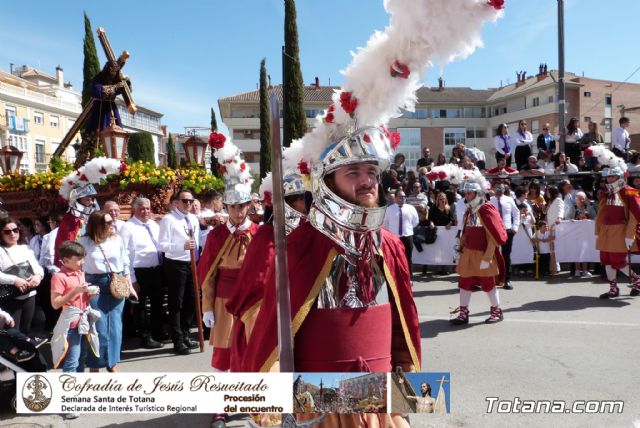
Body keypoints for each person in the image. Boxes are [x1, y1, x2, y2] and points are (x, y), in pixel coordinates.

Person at [243, 126, 421, 428]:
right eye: (352, 172)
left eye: (371, 172)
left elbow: (403, 330)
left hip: (380, 405)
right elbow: (272, 333)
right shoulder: (300, 246)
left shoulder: (389, 244)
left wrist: (406, 395)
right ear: (327, 181)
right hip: (319, 405)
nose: (367, 181)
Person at [446, 166, 507, 325]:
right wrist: (460, 247)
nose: (466, 196)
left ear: (478, 193)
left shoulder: (486, 209)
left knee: (488, 284)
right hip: (468, 253)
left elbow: (493, 236)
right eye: (465, 193)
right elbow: (465, 231)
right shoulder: (468, 210)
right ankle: (463, 313)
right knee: (465, 283)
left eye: (469, 193)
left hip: (483, 254)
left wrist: (488, 257)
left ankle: (496, 311)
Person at [78, 211, 135, 372]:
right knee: (98, 327)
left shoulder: (117, 239)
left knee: (115, 327)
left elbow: (125, 263)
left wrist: (130, 286)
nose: (112, 225)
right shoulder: (84, 242)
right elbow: (77, 266)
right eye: (108, 222)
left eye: (112, 222)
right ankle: (95, 365)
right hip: (94, 285)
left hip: (116, 284)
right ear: (97, 225)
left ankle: (112, 362)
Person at [589, 145, 640, 298]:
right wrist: (598, 230)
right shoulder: (606, 193)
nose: (609, 179)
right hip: (606, 230)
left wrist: (629, 235)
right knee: (606, 260)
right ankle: (613, 288)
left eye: (612, 177)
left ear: (619, 177)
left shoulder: (629, 192)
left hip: (620, 230)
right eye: (607, 177)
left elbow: (635, 215)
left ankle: (637, 280)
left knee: (618, 261)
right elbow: (602, 213)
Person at [158, 189, 201, 355]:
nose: (188, 204)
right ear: (177, 202)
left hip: (192, 262)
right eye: (185, 201)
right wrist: (180, 246)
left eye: (191, 201)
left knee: (192, 299)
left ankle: (186, 333)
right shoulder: (169, 220)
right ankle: (177, 339)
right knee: (177, 302)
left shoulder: (193, 219)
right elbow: (161, 245)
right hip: (176, 263)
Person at [120, 197, 165, 349]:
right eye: (142, 209)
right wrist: (131, 279)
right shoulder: (128, 228)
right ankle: (145, 337)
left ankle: (157, 332)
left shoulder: (153, 224)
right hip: (139, 272)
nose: (146, 211)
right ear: (134, 210)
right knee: (140, 307)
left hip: (156, 270)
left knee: (157, 303)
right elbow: (125, 254)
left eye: (148, 208)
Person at [50, 241, 99, 374]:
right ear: (65, 261)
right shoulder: (59, 277)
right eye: (78, 259)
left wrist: (89, 294)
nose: (82, 262)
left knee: (82, 358)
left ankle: (78, 388)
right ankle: (68, 390)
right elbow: (55, 303)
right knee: (72, 361)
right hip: (71, 325)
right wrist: (75, 291)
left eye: (83, 258)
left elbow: (81, 297)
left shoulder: (80, 273)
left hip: (83, 322)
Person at [0, 218, 43, 335]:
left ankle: (25, 352)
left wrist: (38, 276)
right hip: (11, 297)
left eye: (15, 230)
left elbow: (37, 267)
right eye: (7, 231)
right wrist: (14, 280)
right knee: (12, 332)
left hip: (29, 295)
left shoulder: (26, 248)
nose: (12, 234)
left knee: (25, 330)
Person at [54, 184, 98, 268]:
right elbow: (67, 240)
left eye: (91, 196)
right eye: (85, 196)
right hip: (76, 259)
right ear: (77, 198)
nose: (89, 198)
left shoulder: (95, 215)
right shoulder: (70, 218)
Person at [490, 184, 519, 290]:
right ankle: (494, 278)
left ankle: (507, 279)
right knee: (492, 255)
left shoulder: (509, 199)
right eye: (497, 188)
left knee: (506, 255)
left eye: (501, 189)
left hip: (507, 230)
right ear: (494, 189)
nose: (499, 190)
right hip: (493, 231)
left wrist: (515, 227)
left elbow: (516, 213)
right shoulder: (490, 199)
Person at [383, 189, 420, 270]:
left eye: (404, 196)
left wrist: (407, 229)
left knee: (408, 258)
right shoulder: (389, 209)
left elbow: (415, 221)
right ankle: (395, 279)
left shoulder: (411, 208)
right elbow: (385, 224)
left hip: (407, 236)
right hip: (394, 238)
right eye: (400, 197)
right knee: (394, 258)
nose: (403, 198)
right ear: (395, 198)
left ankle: (409, 279)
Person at [39, 213, 62, 331]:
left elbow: (44, 258)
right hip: (68, 271)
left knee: (52, 301)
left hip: (53, 273)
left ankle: (53, 325)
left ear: (54, 222)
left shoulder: (49, 236)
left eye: (50, 222)